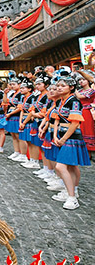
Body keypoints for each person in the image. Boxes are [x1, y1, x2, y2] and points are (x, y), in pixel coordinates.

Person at [49, 76, 90, 209]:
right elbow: (55, 119)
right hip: (61, 135)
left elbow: (75, 122)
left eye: (63, 86)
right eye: (58, 85)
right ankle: (72, 190)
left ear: (71, 87)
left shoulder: (74, 101)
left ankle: (72, 197)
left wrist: (64, 138)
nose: (59, 88)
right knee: (71, 166)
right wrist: (55, 135)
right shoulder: (60, 101)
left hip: (71, 137)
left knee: (61, 167)